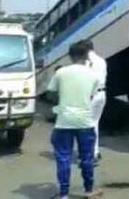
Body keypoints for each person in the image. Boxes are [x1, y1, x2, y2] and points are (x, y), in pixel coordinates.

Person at [47, 42, 103, 199]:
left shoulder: (60, 73)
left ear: (69, 56)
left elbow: (51, 94)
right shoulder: (94, 75)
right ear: (86, 55)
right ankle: (88, 190)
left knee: (63, 157)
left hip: (64, 121)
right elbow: (91, 96)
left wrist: (62, 101)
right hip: (85, 120)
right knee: (87, 157)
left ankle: (64, 194)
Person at [81, 39, 107, 161]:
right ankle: (95, 151)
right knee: (94, 123)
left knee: (87, 125)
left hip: (91, 95)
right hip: (102, 94)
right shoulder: (102, 60)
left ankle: (90, 153)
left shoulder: (86, 62)